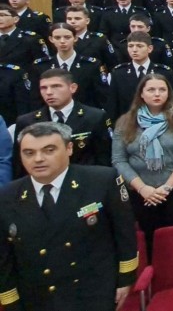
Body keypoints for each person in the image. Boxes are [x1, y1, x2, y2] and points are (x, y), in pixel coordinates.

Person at [0, 122, 138, 311]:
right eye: (29, 153)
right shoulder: (7, 196)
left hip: (92, 292)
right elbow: (4, 256)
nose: (38, 159)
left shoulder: (101, 181)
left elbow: (125, 235)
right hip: (37, 297)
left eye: (49, 150)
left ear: (69, 148)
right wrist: (10, 300)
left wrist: (125, 279)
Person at [111, 73, 173, 256]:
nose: (156, 94)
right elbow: (119, 160)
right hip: (140, 192)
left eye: (162, 89)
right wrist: (143, 189)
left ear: (169, 93)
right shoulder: (125, 122)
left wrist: (167, 186)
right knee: (149, 239)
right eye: (151, 89)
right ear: (141, 94)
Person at [13, 68, 112, 178]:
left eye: (56, 86)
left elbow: (104, 159)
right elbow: (19, 166)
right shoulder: (27, 121)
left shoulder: (94, 117)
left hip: (84, 182)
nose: (49, 92)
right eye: (43, 88)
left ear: (73, 88)